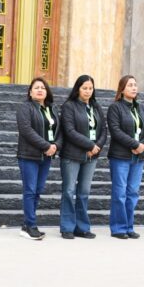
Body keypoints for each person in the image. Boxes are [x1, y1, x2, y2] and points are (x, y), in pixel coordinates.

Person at [58, 75, 107, 240]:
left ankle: (82, 227)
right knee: (69, 191)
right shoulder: (69, 106)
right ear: (77, 89)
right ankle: (67, 227)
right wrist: (90, 145)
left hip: (92, 156)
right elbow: (69, 131)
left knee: (84, 192)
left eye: (90, 88)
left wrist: (96, 147)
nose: (88, 91)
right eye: (84, 88)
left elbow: (104, 130)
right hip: (72, 155)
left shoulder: (96, 106)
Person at [106, 75, 144, 239]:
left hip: (138, 157)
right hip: (121, 156)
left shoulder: (142, 108)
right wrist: (134, 145)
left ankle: (128, 226)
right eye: (130, 85)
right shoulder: (115, 108)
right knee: (120, 193)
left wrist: (142, 145)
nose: (134, 88)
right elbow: (115, 131)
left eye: (135, 85)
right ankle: (118, 228)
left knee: (133, 193)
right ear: (122, 89)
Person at [16, 77, 61, 240]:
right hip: (29, 155)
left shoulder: (52, 109)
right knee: (30, 190)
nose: (40, 90)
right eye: (36, 88)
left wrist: (56, 145)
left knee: (38, 190)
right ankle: (31, 226)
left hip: (46, 156)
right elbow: (26, 130)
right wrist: (46, 146)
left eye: (43, 87)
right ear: (30, 92)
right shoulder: (25, 108)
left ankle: (27, 224)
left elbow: (60, 131)